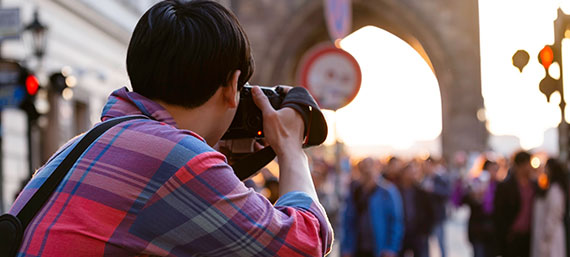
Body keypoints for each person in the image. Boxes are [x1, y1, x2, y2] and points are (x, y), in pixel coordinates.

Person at [9, 1, 333, 256]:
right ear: (233, 86)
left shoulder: (90, 141)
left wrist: (228, 165)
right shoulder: (179, 158)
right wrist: (290, 150)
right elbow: (303, 245)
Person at [341, 157, 404, 257]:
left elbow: (396, 222)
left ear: (377, 168)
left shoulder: (387, 192)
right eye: (364, 169)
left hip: (380, 248)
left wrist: (391, 248)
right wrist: (347, 247)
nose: (367, 172)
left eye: (370, 167)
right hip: (358, 247)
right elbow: (348, 221)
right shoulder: (355, 191)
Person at [494, 151, 537, 257]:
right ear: (520, 166)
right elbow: (499, 214)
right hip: (513, 236)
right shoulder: (506, 187)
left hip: (529, 236)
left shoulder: (534, 186)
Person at [462, 160, 499, 257]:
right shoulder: (475, 183)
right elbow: (463, 200)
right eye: (493, 169)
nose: (495, 173)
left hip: (492, 231)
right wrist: (475, 195)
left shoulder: (499, 186)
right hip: (478, 230)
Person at [531, 158, 568, 257]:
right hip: (551, 235)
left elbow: (553, 214)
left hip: (551, 237)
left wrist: (545, 238)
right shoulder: (554, 188)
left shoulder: (555, 190)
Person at [397, 162, 434, 257]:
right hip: (401, 233)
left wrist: (425, 231)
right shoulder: (396, 191)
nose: (412, 174)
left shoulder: (421, 192)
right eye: (410, 172)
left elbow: (430, 212)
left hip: (418, 233)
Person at [420, 157, 450, 257]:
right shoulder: (423, 178)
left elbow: (447, 192)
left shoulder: (439, 178)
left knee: (440, 242)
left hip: (437, 216)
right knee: (425, 244)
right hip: (426, 217)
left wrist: (434, 189)